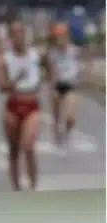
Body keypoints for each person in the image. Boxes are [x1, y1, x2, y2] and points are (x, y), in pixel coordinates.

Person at [0, 20, 47, 191]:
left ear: (25, 34)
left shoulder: (36, 55)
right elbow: (2, 87)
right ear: (10, 37)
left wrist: (44, 78)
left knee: (29, 146)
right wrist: (16, 80)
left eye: (21, 32)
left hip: (32, 105)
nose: (18, 36)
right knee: (14, 151)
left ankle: (33, 187)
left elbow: (49, 68)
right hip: (13, 106)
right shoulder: (4, 59)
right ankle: (16, 189)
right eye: (14, 33)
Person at [46, 23, 80, 155]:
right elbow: (52, 72)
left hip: (70, 86)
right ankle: (57, 141)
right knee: (56, 117)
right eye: (57, 37)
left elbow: (83, 65)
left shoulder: (74, 51)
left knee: (70, 117)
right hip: (57, 86)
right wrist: (53, 89)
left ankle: (67, 135)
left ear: (67, 36)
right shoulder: (52, 54)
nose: (59, 39)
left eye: (62, 36)